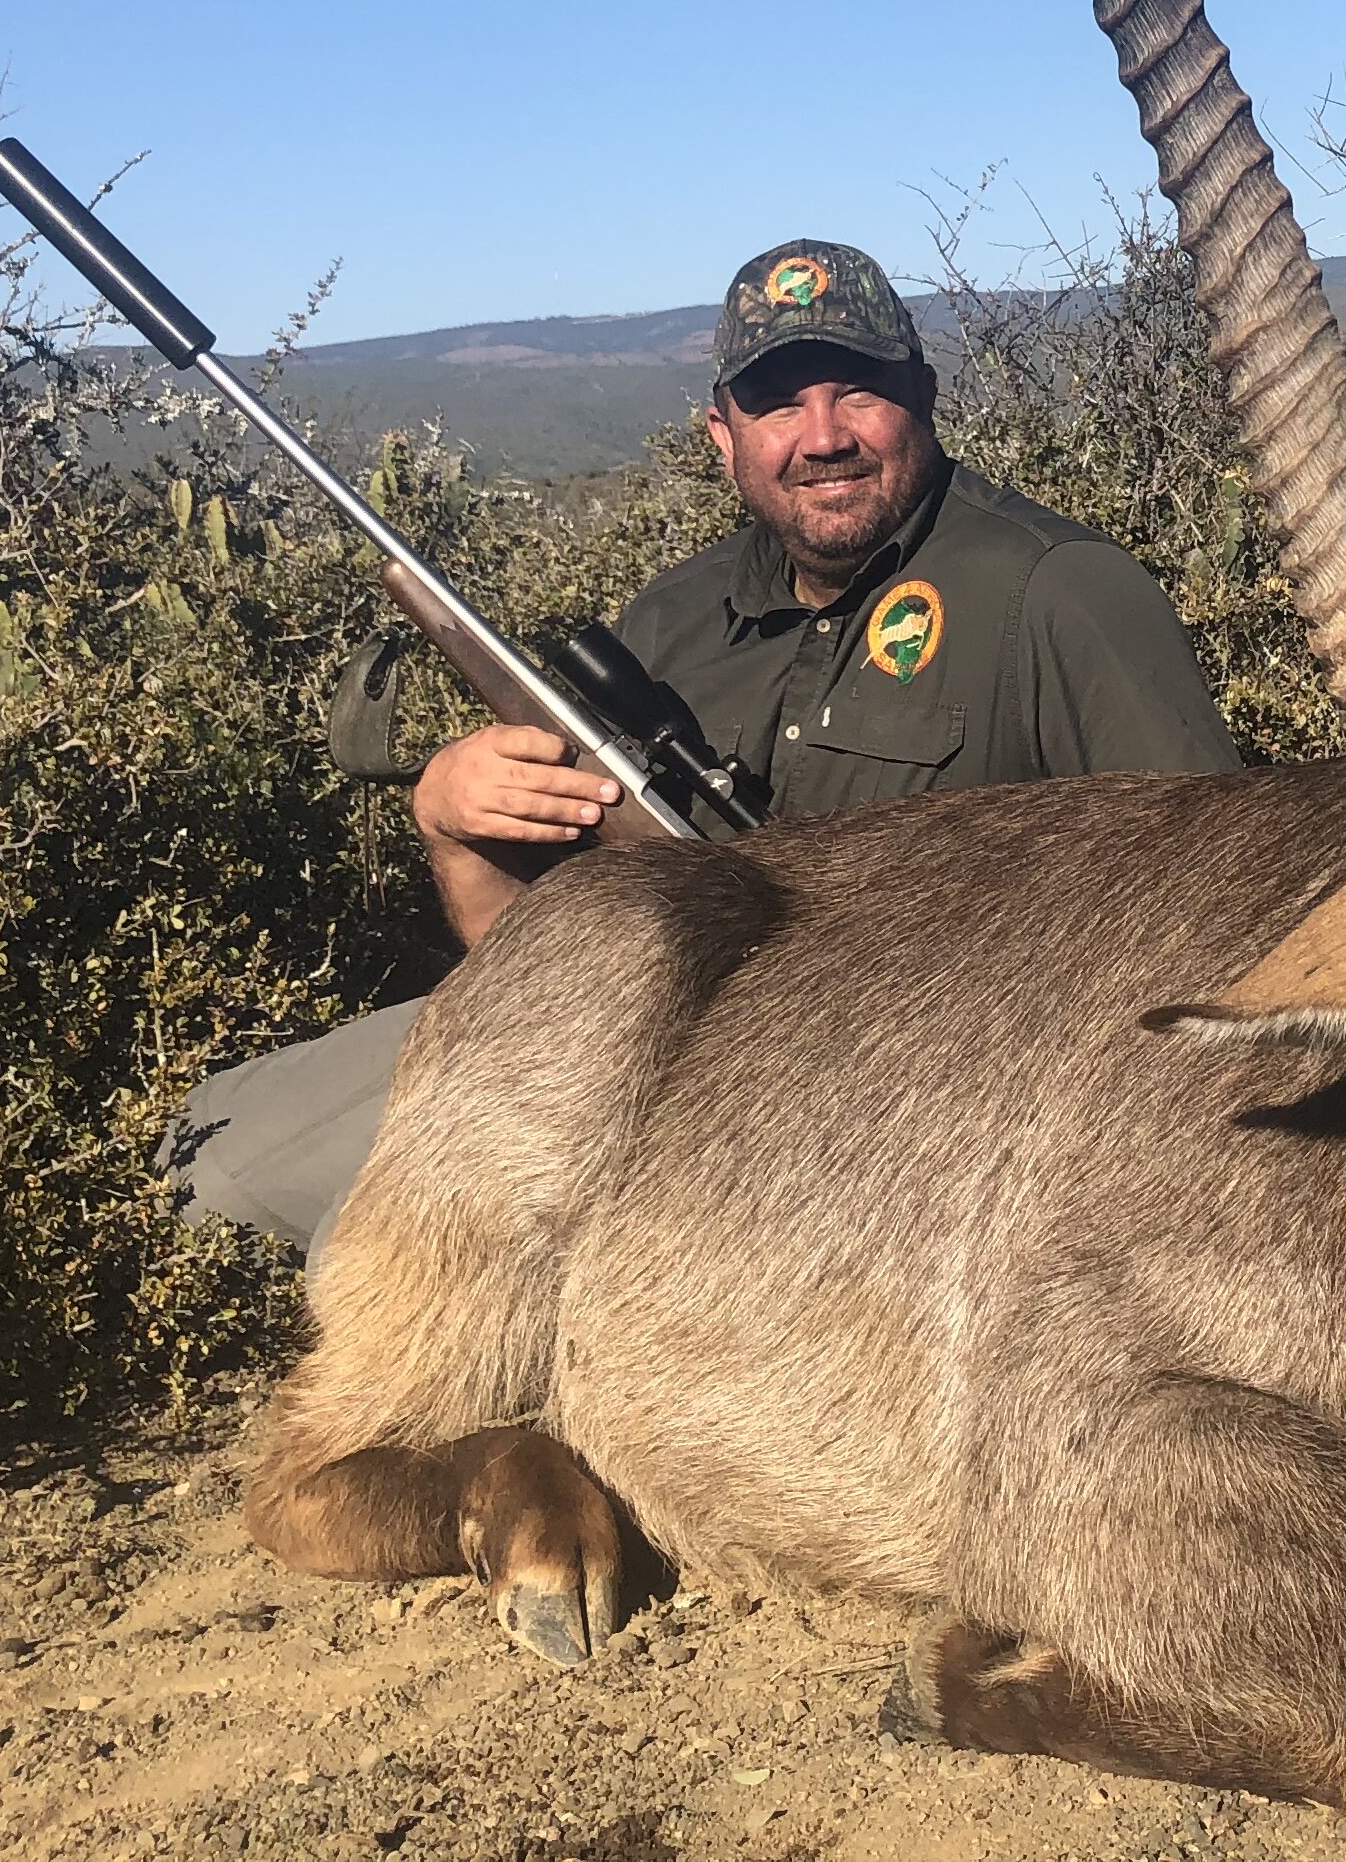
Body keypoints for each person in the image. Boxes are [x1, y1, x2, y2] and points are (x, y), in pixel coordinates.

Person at [166, 237, 1240, 1254]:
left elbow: (1218, 923)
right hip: (634, 1046)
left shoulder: (1056, 592)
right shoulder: (673, 622)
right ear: (722, 437)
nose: (822, 436)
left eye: (857, 389)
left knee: (404, 1241)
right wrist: (457, 832)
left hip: (919, 1129)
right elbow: (540, 956)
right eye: (778, 402)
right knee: (207, 1156)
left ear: (924, 399)